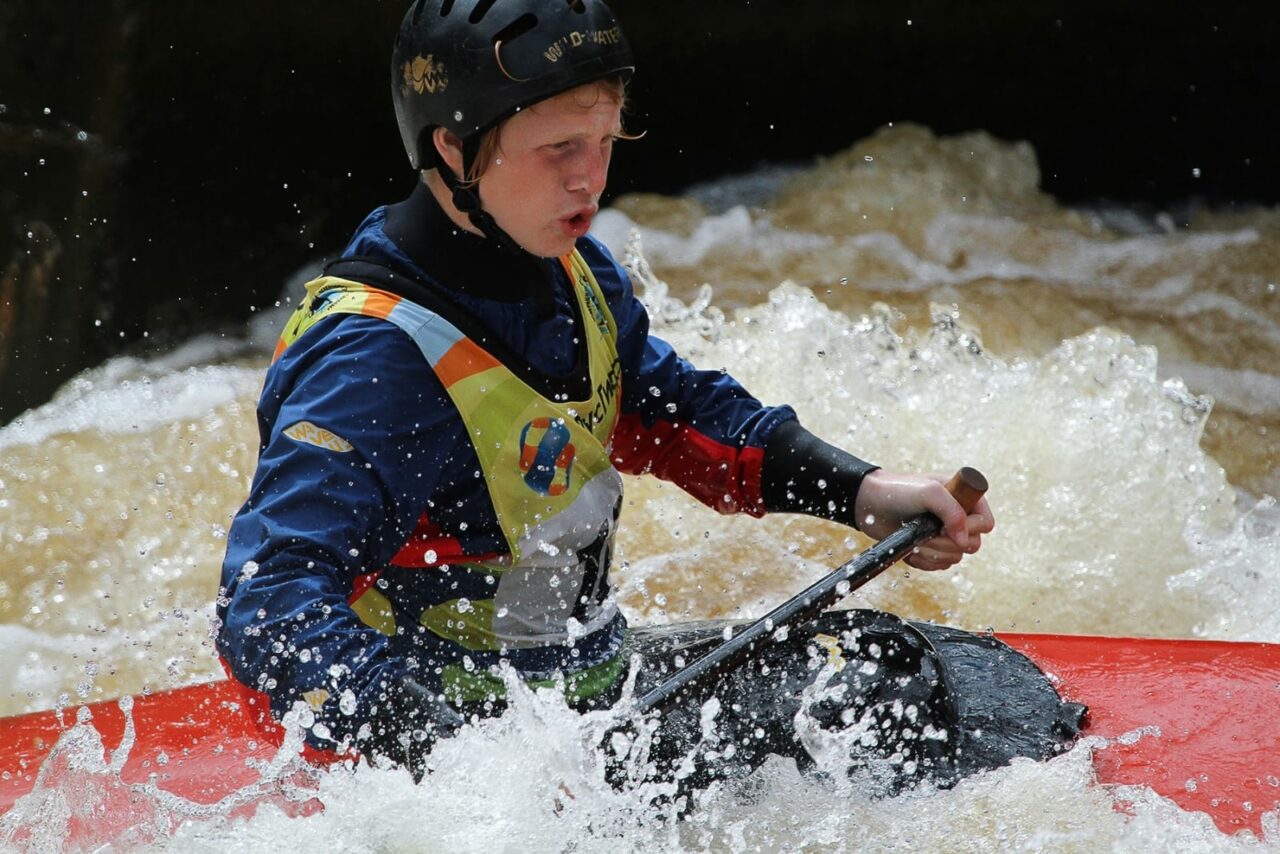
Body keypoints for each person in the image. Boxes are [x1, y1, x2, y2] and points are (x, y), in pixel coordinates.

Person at [215, 0, 995, 786]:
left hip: (578, 696)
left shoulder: (570, 271)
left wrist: (861, 491)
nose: (589, 178)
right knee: (880, 700)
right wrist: (468, 765)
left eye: (604, 141)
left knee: (876, 668)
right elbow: (270, 610)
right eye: (558, 148)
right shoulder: (372, 359)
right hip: (462, 755)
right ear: (452, 148)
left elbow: (680, 415)